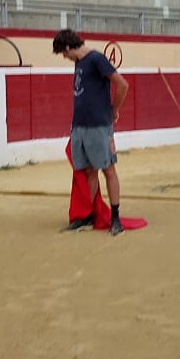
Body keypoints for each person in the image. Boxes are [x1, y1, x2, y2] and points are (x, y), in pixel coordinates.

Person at [54, 29, 129, 236]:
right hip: (80, 126)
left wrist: (114, 110)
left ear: (67, 47)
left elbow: (122, 84)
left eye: (63, 53)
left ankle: (115, 218)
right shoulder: (81, 62)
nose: (64, 57)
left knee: (108, 170)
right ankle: (89, 216)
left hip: (98, 125)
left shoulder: (96, 59)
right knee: (89, 171)